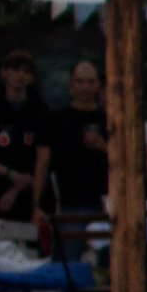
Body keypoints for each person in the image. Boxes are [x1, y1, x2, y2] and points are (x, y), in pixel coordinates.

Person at [45, 59, 111, 213]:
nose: (85, 87)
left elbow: (128, 162)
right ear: (71, 84)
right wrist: (36, 204)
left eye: (90, 82)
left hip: (105, 203)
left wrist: (103, 146)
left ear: (98, 85)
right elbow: (42, 163)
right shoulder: (54, 120)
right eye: (80, 81)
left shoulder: (110, 121)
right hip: (67, 204)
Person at [0, 50, 48, 220]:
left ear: (31, 78)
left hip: (31, 193)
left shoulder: (40, 111)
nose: (20, 75)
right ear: (4, 73)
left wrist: (20, 185)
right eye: (15, 69)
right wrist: (11, 175)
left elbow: (44, 157)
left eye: (26, 71)